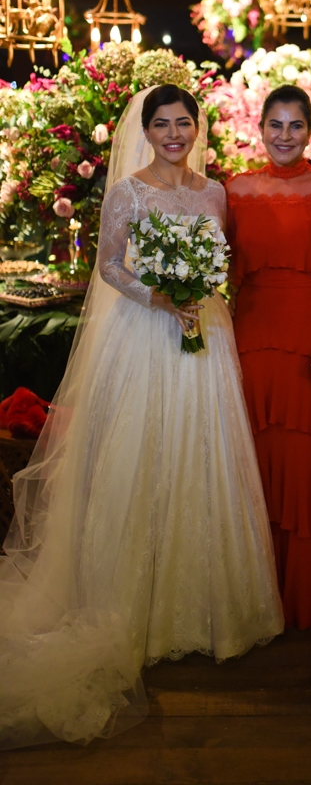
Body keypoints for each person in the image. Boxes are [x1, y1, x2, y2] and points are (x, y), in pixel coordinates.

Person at [0, 84, 284, 751]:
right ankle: (138, 612)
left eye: (184, 122)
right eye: (163, 124)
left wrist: (200, 291)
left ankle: (205, 610)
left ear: (197, 128)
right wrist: (159, 294)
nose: (175, 133)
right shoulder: (127, 192)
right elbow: (107, 266)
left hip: (204, 336)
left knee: (202, 456)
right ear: (147, 131)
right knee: (143, 455)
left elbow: (221, 265)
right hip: (144, 334)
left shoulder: (214, 194)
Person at [225, 84, 311, 631]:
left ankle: (309, 594)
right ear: (259, 128)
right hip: (252, 341)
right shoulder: (235, 190)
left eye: (295, 125)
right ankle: (255, 597)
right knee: (254, 465)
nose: (285, 135)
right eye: (275, 125)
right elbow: (217, 273)